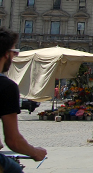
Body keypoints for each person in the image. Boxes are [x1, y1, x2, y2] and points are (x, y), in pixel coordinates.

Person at [0, 27, 47, 172]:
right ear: (6, 54)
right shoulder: (5, 87)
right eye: (15, 52)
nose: (15, 56)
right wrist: (35, 152)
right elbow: (13, 141)